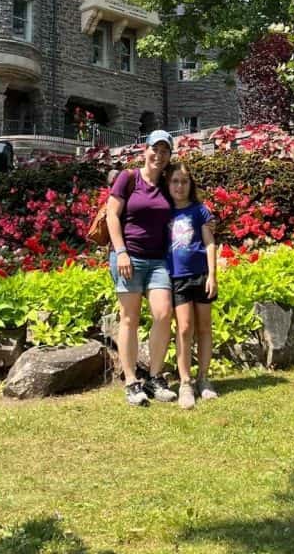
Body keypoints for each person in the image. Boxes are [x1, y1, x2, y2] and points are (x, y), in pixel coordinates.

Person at [106, 129, 178, 406]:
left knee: (163, 313)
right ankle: (132, 382)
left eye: (165, 151)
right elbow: (112, 214)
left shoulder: (168, 184)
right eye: (154, 149)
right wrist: (121, 252)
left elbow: (183, 210)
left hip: (158, 259)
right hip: (128, 258)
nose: (158, 155)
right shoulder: (128, 178)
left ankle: (155, 378)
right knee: (129, 319)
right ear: (144, 150)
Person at [166, 160, 218, 409]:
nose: (179, 186)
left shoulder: (200, 211)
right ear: (168, 184)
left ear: (191, 184)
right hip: (177, 277)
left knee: (205, 327)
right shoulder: (164, 211)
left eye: (184, 181)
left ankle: (204, 379)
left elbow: (210, 243)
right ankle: (185, 381)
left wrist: (212, 275)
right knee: (184, 328)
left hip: (200, 275)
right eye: (175, 181)